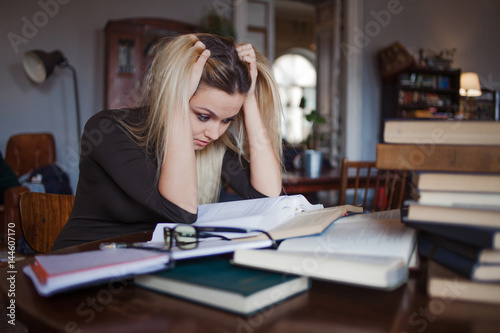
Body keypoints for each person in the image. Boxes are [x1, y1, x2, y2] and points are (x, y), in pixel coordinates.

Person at [52, 33, 283, 250]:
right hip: (84, 261)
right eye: (203, 116)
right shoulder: (109, 130)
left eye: (227, 120)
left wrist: (249, 99)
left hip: (148, 264)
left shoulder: (211, 144)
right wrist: (177, 101)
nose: (214, 133)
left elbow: (269, 198)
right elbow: (181, 212)